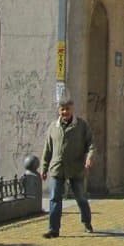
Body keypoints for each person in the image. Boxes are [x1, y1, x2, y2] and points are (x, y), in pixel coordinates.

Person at [40, 99, 96, 238]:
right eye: (62, 109)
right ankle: (53, 229)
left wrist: (89, 157)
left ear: (72, 109)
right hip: (57, 167)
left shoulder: (81, 125)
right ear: (59, 111)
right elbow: (47, 149)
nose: (65, 112)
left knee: (81, 197)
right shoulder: (53, 126)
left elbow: (91, 144)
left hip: (75, 168)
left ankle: (87, 221)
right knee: (54, 198)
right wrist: (44, 167)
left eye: (67, 109)